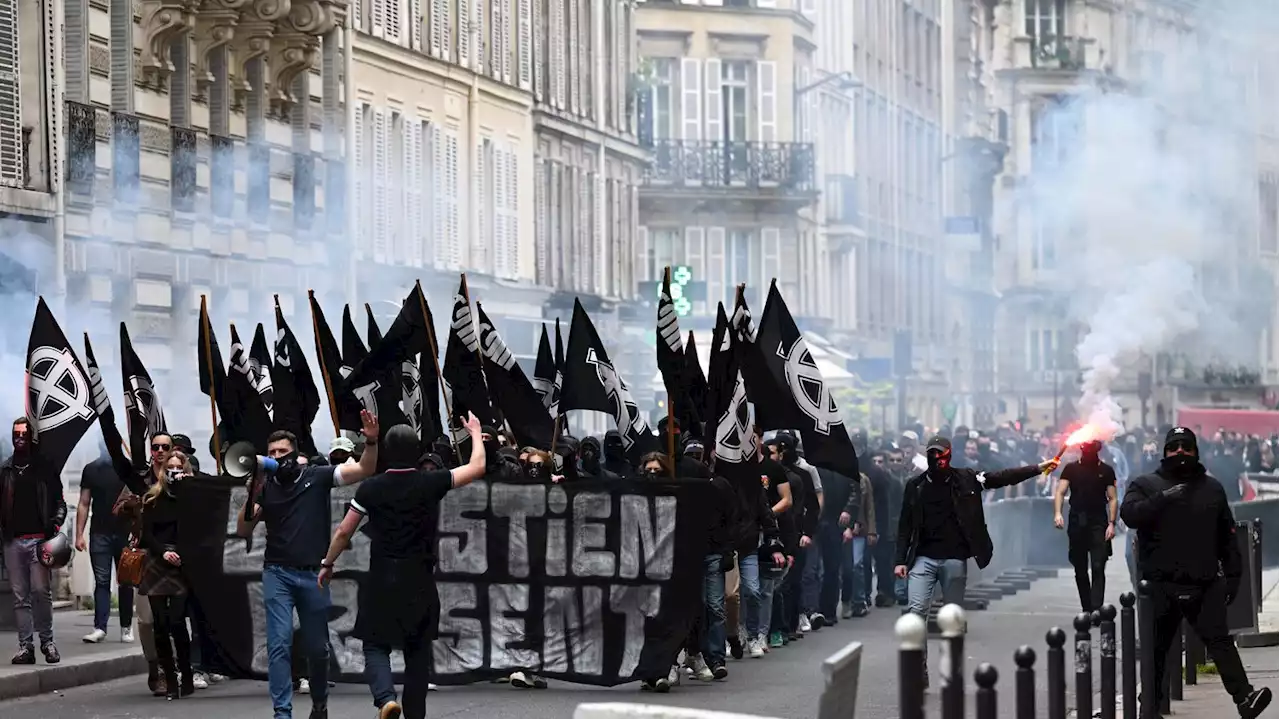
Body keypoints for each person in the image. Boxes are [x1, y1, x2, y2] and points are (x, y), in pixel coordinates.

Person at [319, 415, 486, 719]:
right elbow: (476, 468)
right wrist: (474, 433)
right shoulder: (430, 482)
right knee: (417, 654)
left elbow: (344, 531)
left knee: (374, 644)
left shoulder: (371, 489)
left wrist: (327, 563)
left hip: (382, 578)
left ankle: (385, 699)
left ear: (386, 450)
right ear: (415, 451)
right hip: (420, 580)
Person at [237, 410, 381, 719]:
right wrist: (252, 489)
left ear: (296, 454)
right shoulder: (266, 486)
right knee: (278, 644)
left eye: (282, 452)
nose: (277, 457)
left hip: (312, 575)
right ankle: (282, 713)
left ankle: (319, 703)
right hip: (277, 573)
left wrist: (371, 440)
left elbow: (366, 469)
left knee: (318, 650)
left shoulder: (316, 476)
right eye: (272, 452)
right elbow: (243, 529)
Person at [1121, 427, 1272, 719]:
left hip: (1203, 584)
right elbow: (1130, 515)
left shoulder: (1211, 488)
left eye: (1186, 447)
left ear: (1195, 451)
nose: (1180, 452)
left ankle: (1245, 698)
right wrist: (1163, 499)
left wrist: (1233, 577)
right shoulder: (1145, 483)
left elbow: (1227, 537)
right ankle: (1148, 710)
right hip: (1160, 584)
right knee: (1156, 653)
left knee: (1220, 643)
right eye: (1174, 447)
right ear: (1165, 451)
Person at [893, 435, 1057, 683]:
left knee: (952, 620)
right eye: (933, 453)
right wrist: (900, 560)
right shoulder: (915, 486)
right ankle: (919, 668)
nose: (937, 458)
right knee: (915, 615)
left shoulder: (966, 478)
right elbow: (904, 524)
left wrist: (1036, 469)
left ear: (949, 454)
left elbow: (1000, 477)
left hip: (954, 559)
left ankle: (950, 669)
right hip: (922, 558)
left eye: (941, 453)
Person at [1, 417, 66, 664]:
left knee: (41, 592)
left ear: (31, 437)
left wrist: (55, 523)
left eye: (23, 434)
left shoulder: (44, 467)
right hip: (13, 542)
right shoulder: (5, 470)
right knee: (21, 597)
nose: (19, 438)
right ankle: (25, 647)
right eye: (15, 434)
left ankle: (48, 643)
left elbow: (59, 502)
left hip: (40, 541)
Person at [139, 449, 196, 700]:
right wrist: (163, 552)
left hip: (183, 563)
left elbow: (200, 529)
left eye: (178, 466)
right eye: (170, 466)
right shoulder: (152, 498)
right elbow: (146, 534)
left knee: (177, 621)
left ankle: (187, 673)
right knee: (160, 625)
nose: (174, 470)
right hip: (157, 561)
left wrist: (182, 553)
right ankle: (170, 679)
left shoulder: (192, 497)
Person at [75, 440, 134, 644]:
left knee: (126, 581)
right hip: (99, 533)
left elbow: (140, 499)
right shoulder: (91, 470)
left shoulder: (129, 468)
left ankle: (126, 627)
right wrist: (79, 534)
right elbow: (84, 503)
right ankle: (100, 627)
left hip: (125, 533)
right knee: (102, 582)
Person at [1053, 439, 1118, 612]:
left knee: (1098, 566)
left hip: (1098, 521)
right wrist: (1058, 513)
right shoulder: (1071, 469)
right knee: (1080, 568)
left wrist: (1112, 523)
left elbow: (1112, 498)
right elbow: (1060, 491)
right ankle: (1087, 608)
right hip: (1077, 520)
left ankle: (1096, 608)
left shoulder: (1106, 470)